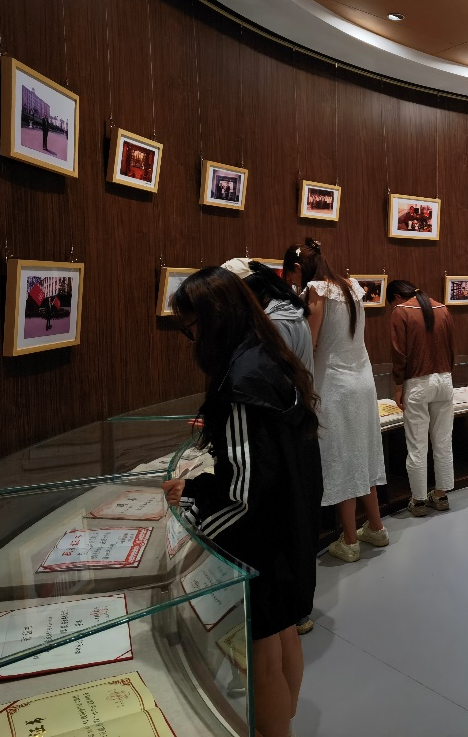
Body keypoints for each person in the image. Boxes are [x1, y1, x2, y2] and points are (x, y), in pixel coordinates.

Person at [160, 267, 321, 737]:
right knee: (285, 633)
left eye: (191, 328)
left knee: (263, 656)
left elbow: (245, 491)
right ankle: (286, 720)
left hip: (261, 540)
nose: (192, 339)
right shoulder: (269, 356)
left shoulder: (240, 381)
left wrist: (193, 511)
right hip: (290, 525)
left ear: (213, 321)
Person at [224, 257, 319, 636]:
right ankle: (299, 607)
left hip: (284, 432)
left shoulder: (273, 325)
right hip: (299, 426)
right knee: (300, 520)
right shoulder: (292, 313)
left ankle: (293, 610)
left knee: (288, 524)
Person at [292, 238, 389, 562]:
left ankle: (349, 540)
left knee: (342, 458)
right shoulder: (351, 286)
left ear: (298, 269)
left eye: (291, 275)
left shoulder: (316, 290)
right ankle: (376, 527)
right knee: (363, 454)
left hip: (334, 385)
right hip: (362, 380)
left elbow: (309, 342)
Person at [388, 280, 457, 517]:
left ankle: (418, 501)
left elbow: (399, 354)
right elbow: (451, 348)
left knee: (417, 445)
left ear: (397, 297)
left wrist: (398, 386)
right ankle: (441, 495)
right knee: (443, 441)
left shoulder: (401, 311)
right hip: (445, 380)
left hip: (417, 384)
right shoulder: (442, 309)